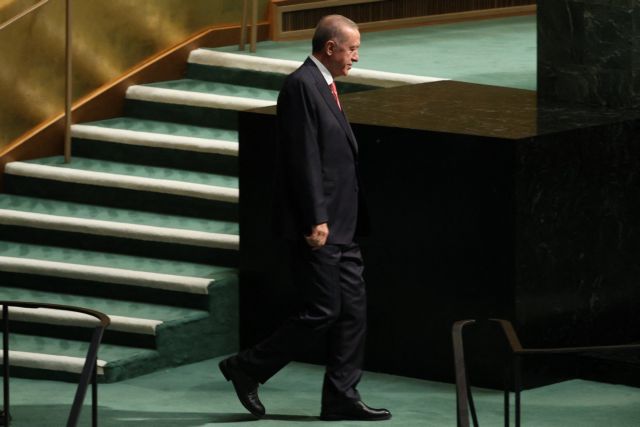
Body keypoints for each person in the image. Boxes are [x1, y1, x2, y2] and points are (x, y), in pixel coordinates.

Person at [219, 14, 391, 422]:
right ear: (330, 48)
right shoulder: (301, 85)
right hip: (320, 225)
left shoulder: (323, 84)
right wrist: (316, 218)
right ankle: (247, 367)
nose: (356, 57)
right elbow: (303, 157)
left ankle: (341, 397)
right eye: (352, 49)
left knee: (353, 312)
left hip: (345, 224)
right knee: (323, 310)